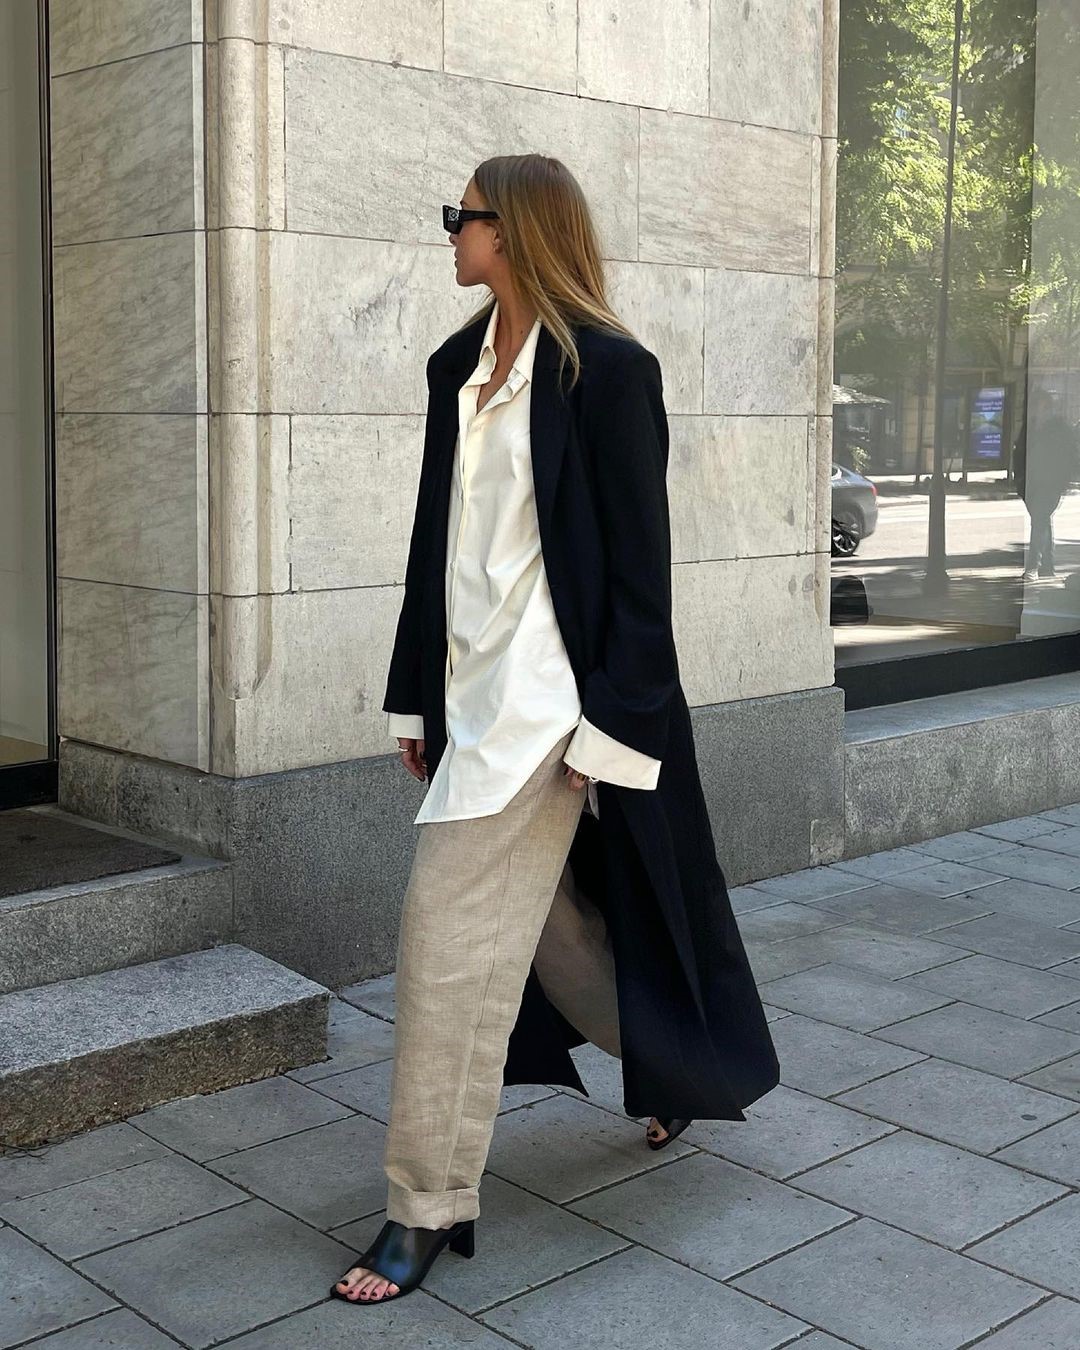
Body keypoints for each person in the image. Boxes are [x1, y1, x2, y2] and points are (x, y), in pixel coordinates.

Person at [332, 154, 780, 1307]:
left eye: (463, 217)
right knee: (563, 937)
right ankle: (673, 1064)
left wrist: (610, 731)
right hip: (474, 699)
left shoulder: (610, 374)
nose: (450, 233)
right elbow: (435, 549)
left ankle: (425, 1206)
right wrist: (415, 696)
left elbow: (640, 577)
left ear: (516, 231)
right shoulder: (457, 368)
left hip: (551, 711)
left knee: (442, 941)